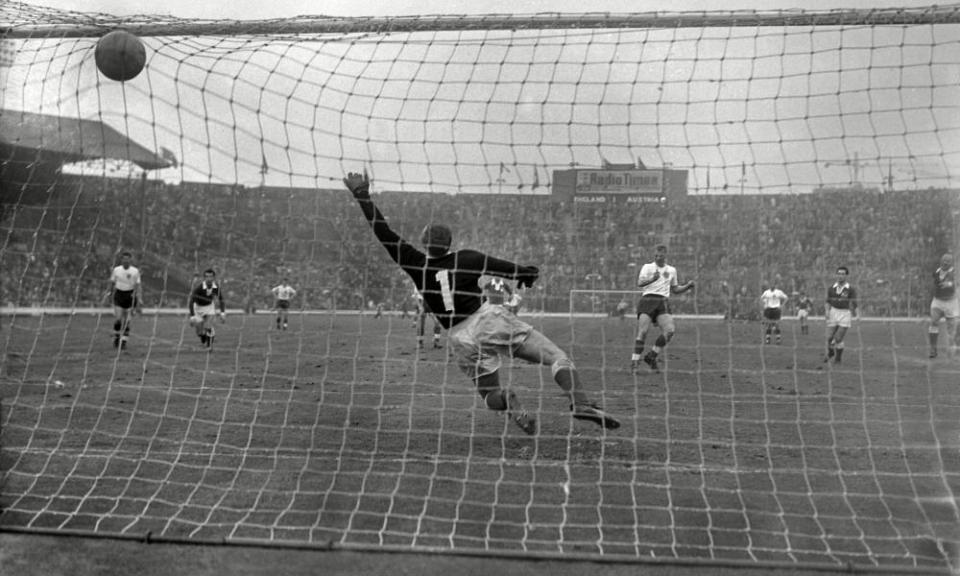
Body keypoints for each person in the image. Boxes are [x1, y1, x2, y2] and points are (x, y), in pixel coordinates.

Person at [344, 170, 619, 435]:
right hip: (487, 321)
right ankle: (581, 403)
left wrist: (362, 196)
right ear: (450, 242)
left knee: (489, 396)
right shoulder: (468, 258)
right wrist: (527, 272)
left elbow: (384, 232)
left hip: (459, 338)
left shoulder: (414, 263)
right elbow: (509, 268)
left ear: (424, 243)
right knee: (557, 357)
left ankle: (507, 398)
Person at [630, 244, 695, 373]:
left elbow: (675, 289)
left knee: (670, 331)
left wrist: (688, 286)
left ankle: (651, 356)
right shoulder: (647, 267)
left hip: (662, 301)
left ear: (665, 255)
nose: (658, 257)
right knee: (643, 332)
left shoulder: (671, 270)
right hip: (647, 300)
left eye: (660, 255)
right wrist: (652, 279)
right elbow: (640, 283)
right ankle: (634, 362)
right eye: (656, 255)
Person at [105, 251, 142, 350]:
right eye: (124, 259)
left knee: (127, 321)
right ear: (121, 260)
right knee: (118, 319)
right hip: (119, 295)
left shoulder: (135, 271)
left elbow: (138, 286)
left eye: (127, 259)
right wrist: (108, 293)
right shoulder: (116, 270)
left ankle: (124, 341)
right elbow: (111, 283)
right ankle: (117, 338)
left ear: (130, 260)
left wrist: (139, 300)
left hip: (130, 296)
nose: (125, 260)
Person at [823, 265, 857, 364]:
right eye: (839, 273)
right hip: (833, 312)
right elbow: (827, 301)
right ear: (836, 275)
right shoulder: (831, 288)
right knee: (829, 337)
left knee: (838, 338)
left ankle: (838, 358)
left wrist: (858, 315)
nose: (840, 276)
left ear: (846, 276)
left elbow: (855, 303)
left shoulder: (850, 289)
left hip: (845, 314)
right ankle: (831, 352)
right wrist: (827, 311)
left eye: (843, 274)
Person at [928, 252, 958, 358]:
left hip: (950, 303)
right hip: (938, 301)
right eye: (944, 260)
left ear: (951, 263)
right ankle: (933, 349)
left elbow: (954, 284)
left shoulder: (954, 272)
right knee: (933, 322)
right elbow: (935, 285)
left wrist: (949, 284)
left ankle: (953, 348)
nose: (945, 262)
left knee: (951, 328)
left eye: (948, 261)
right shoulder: (937, 272)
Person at [188, 268, 226, 350]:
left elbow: (221, 299)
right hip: (197, 308)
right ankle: (203, 339)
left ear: (214, 278)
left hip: (209, 307)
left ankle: (209, 346)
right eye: (207, 277)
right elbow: (191, 301)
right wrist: (192, 316)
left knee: (208, 326)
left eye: (211, 276)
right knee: (199, 331)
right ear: (204, 278)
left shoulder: (216, 287)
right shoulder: (199, 288)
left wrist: (222, 313)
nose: (209, 279)